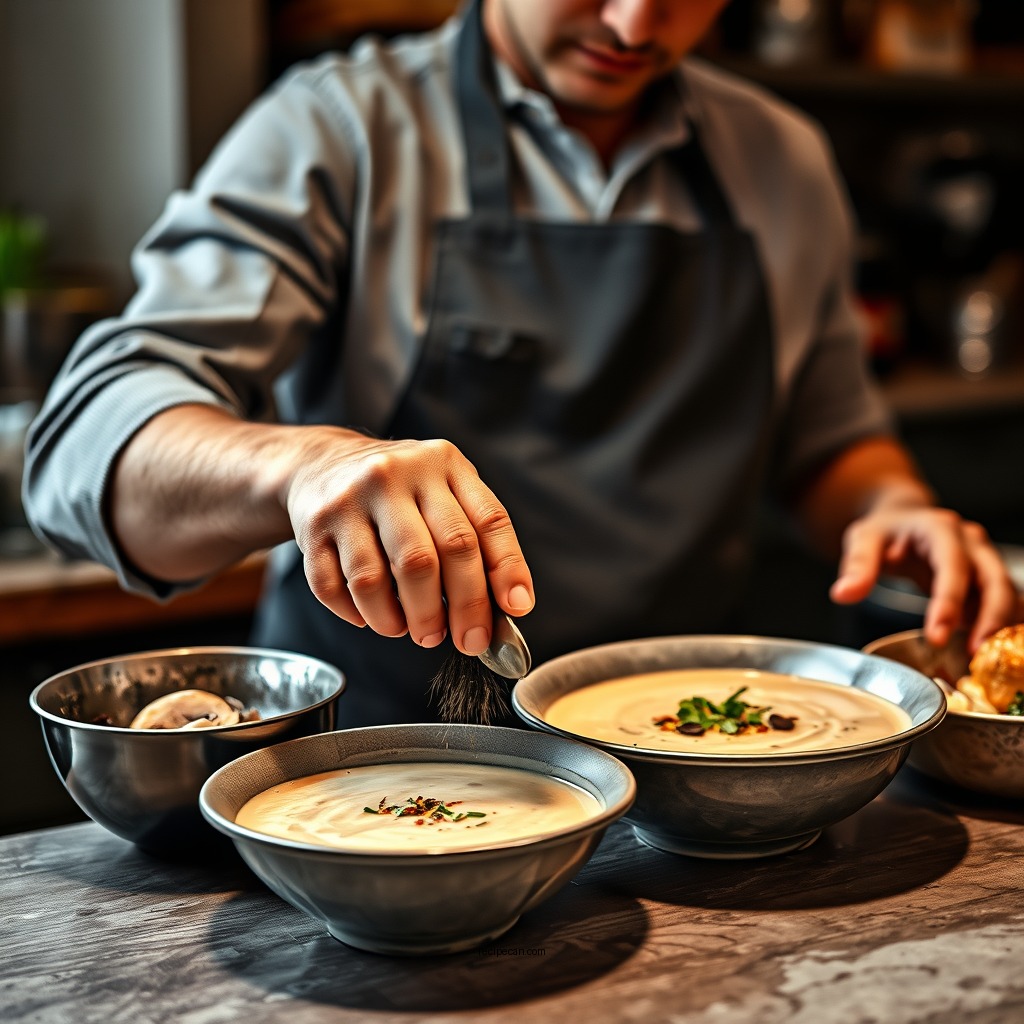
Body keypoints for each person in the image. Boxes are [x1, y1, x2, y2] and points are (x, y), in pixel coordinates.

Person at [23, 0, 1017, 725]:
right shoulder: (340, 129)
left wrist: (890, 507)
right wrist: (304, 467)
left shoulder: (782, 160)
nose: (634, 24)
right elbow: (84, 447)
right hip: (377, 765)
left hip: (689, 755)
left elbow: (829, 439)